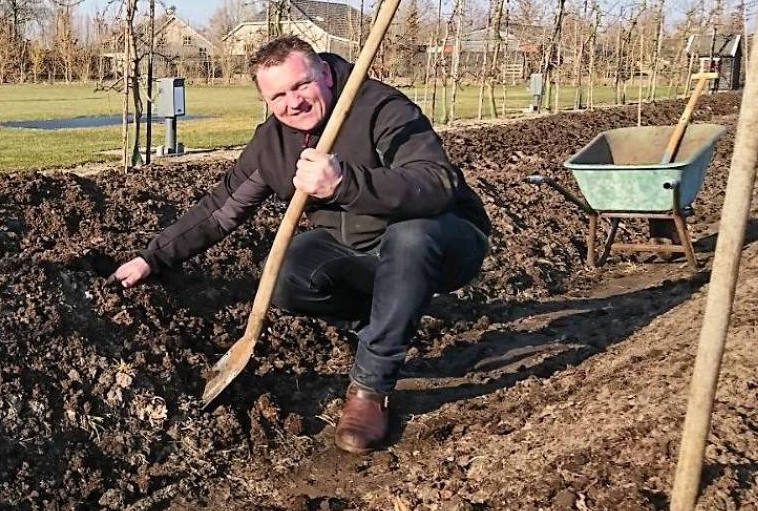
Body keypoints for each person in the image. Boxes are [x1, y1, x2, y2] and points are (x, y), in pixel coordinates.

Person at [113, 36, 490, 452]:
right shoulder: (274, 144)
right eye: (277, 96)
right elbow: (222, 208)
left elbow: (435, 182)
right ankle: (386, 322)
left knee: (410, 237)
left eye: (301, 86)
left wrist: (346, 183)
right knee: (286, 274)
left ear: (325, 74)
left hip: (445, 243)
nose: (292, 103)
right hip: (362, 256)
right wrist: (153, 257)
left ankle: (370, 388)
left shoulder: (380, 108)